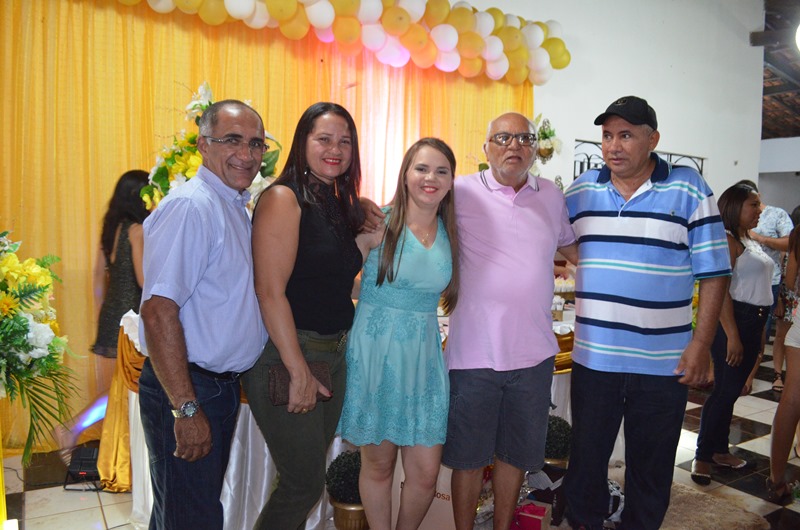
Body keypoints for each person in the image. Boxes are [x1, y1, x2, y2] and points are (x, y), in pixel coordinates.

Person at [563, 96, 730, 530]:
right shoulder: (580, 193)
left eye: (626, 135)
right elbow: (555, 239)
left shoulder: (688, 188)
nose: (613, 146)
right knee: (586, 461)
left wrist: (700, 344)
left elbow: (714, 274)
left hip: (662, 364)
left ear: (653, 139)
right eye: (606, 136)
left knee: (651, 469)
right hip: (594, 359)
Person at [442, 112, 578, 530]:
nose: (514, 145)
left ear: (536, 148)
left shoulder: (552, 194)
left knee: (515, 456)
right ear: (486, 148)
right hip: (473, 354)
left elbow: (574, 252)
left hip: (534, 353)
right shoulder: (460, 190)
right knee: (467, 458)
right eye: (503, 137)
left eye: (524, 138)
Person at [138, 100, 269, 530]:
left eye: (255, 143)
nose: (247, 155)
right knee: (191, 518)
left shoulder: (231, 206)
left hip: (215, 389)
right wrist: (186, 409)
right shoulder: (193, 207)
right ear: (203, 145)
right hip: (191, 388)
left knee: (185, 512)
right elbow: (158, 312)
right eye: (232, 140)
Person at [240, 102, 366, 529]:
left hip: (332, 353)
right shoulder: (283, 198)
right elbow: (270, 291)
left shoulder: (334, 202)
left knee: (304, 478)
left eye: (344, 141)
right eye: (324, 139)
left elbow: (332, 281)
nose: (336, 149)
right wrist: (297, 371)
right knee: (302, 485)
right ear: (303, 143)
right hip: (290, 352)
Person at [338, 137, 460, 530]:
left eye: (442, 171)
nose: (431, 178)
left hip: (424, 356)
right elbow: (341, 279)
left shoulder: (452, 232)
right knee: (379, 463)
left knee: (425, 472)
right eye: (422, 168)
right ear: (405, 173)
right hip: (377, 351)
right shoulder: (377, 221)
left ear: (452, 181)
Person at [54, 170, 150, 463]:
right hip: (130, 320)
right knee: (117, 392)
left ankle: (112, 450)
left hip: (111, 315)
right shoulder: (136, 230)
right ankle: (69, 429)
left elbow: (98, 279)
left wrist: (102, 315)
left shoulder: (112, 229)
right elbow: (144, 280)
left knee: (113, 391)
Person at [690, 183, 773, 485]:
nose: (759, 210)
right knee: (724, 391)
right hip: (734, 322)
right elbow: (720, 291)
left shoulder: (748, 239)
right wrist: (733, 335)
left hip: (753, 321)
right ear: (735, 207)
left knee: (732, 391)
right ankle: (702, 457)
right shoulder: (726, 240)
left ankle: (720, 450)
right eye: (754, 204)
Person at [740, 181, 793, 392]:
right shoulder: (738, 217)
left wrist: (760, 238)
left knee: (760, 331)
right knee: (741, 329)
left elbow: (790, 243)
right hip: (742, 282)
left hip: (769, 282)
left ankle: (749, 377)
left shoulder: (777, 214)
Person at [767, 224, 800, 504]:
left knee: (791, 399)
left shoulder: (798, 234)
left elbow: (791, 283)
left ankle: (777, 479)